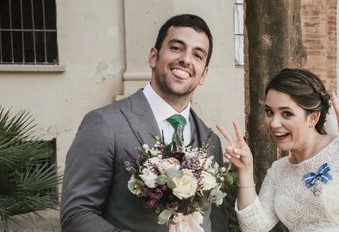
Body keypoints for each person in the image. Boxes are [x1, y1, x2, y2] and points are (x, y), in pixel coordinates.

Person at [61, 14, 228, 232]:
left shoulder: (211, 141)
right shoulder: (104, 124)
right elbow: (76, 215)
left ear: (203, 74)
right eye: (176, 48)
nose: (186, 59)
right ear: (153, 57)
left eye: (197, 55)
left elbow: (216, 220)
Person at [216, 68, 339, 232]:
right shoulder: (278, 170)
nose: (274, 123)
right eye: (269, 112)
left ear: (313, 118)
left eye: (286, 113)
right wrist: (245, 170)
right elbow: (255, 227)